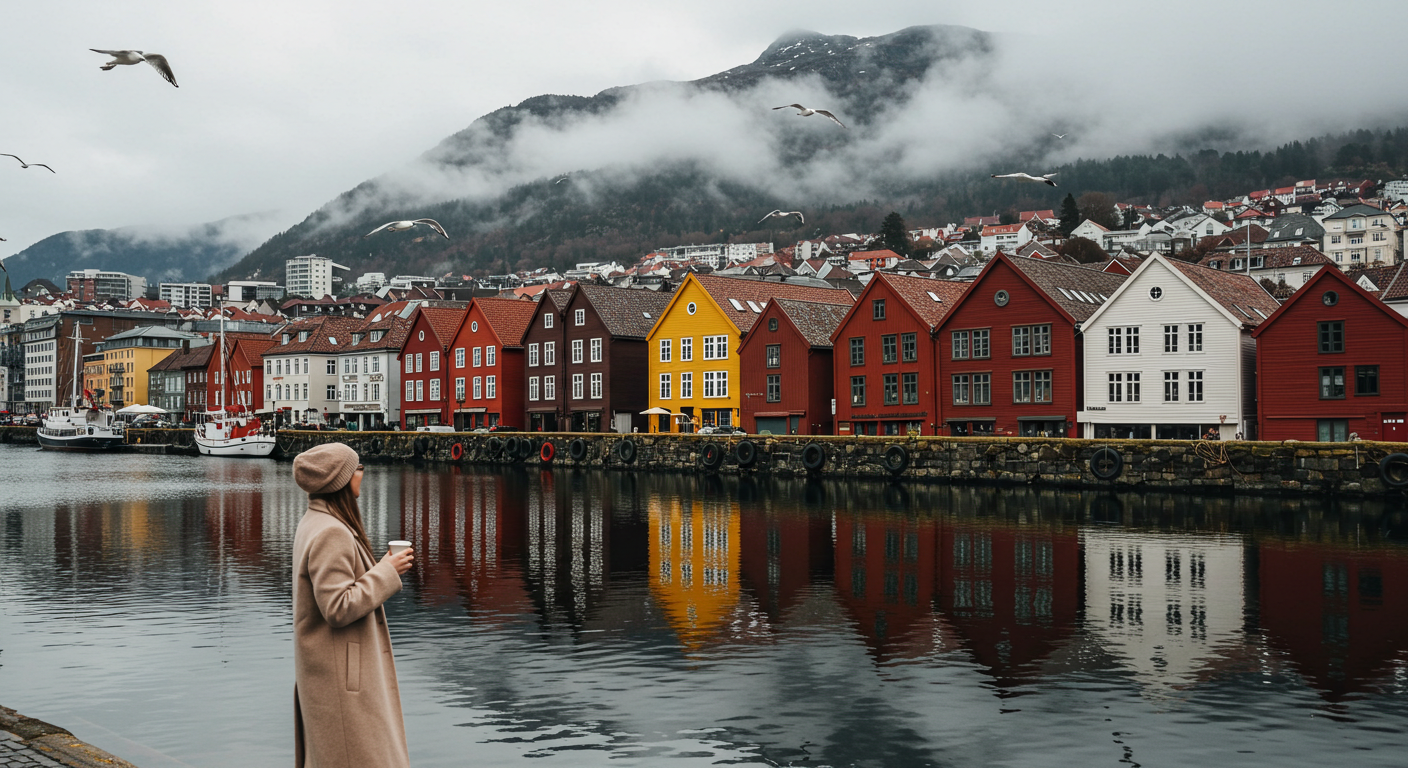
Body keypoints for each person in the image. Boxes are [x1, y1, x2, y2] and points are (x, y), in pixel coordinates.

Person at [291, 443, 414, 768]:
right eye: (356, 469)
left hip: (332, 672)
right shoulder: (333, 532)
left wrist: (378, 568)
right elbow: (337, 607)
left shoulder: (314, 521)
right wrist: (388, 572)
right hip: (344, 683)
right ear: (340, 481)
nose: (362, 473)